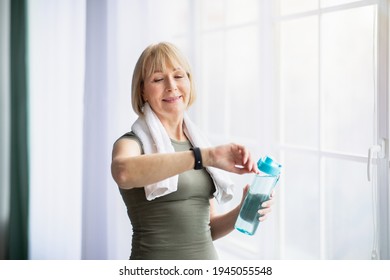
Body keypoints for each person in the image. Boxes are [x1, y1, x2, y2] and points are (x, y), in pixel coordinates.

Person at [111, 42, 274, 260]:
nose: (171, 86)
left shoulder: (199, 143)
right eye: (158, 79)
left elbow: (208, 229)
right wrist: (205, 157)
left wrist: (243, 210)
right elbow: (123, 172)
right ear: (142, 90)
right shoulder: (131, 143)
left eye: (178, 76)